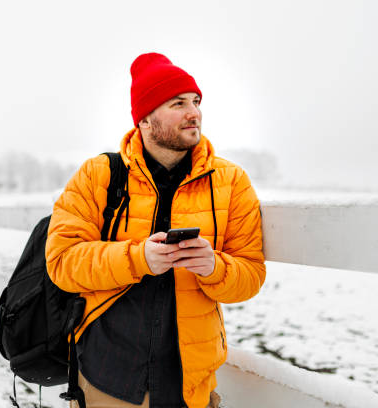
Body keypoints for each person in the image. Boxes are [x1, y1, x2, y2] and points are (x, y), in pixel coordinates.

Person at [46, 52, 266, 408]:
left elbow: (251, 275)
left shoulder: (230, 181)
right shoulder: (98, 174)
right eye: (178, 103)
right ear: (145, 119)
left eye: (195, 101)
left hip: (189, 385)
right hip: (108, 377)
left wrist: (214, 267)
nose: (194, 112)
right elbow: (62, 263)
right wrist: (138, 258)